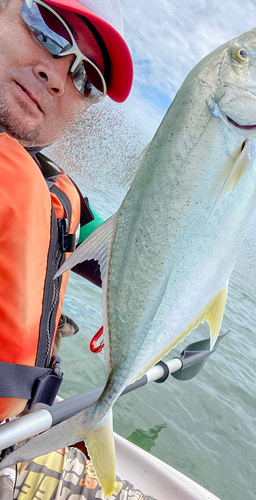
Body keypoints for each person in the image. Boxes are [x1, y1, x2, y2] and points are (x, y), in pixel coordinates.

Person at [0, 0, 155, 498]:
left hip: (19, 437)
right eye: (46, 28)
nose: (56, 76)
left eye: (86, 78)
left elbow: (126, 263)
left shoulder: (51, 187)